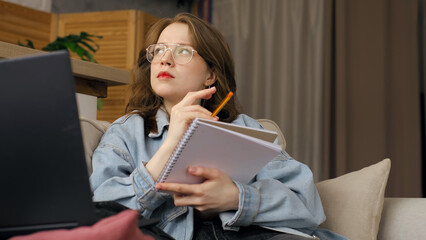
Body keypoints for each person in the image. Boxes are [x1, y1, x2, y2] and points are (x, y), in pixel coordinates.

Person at [90, 13, 347, 240]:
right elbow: (99, 216)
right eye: (158, 50)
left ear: (210, 76)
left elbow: (308, 205)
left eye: (182, 51)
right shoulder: (125, 133)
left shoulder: (245, 128)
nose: (165, 59)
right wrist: (170, 145)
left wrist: (236, 197)